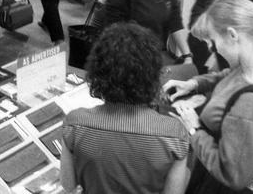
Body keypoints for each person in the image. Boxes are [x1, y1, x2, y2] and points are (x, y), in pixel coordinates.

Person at [165, 0, 253, 192]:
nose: (211, 48)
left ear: (233, 35)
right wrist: (194, 84)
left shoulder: (249, 107)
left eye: (213, 40)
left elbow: (231, 175)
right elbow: (228, 76)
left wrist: (194, 129)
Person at [62, 22, 189, 194]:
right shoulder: (175, 134)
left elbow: (69, 186)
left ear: (98, 71)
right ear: (152, 74)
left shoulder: (74, 124)